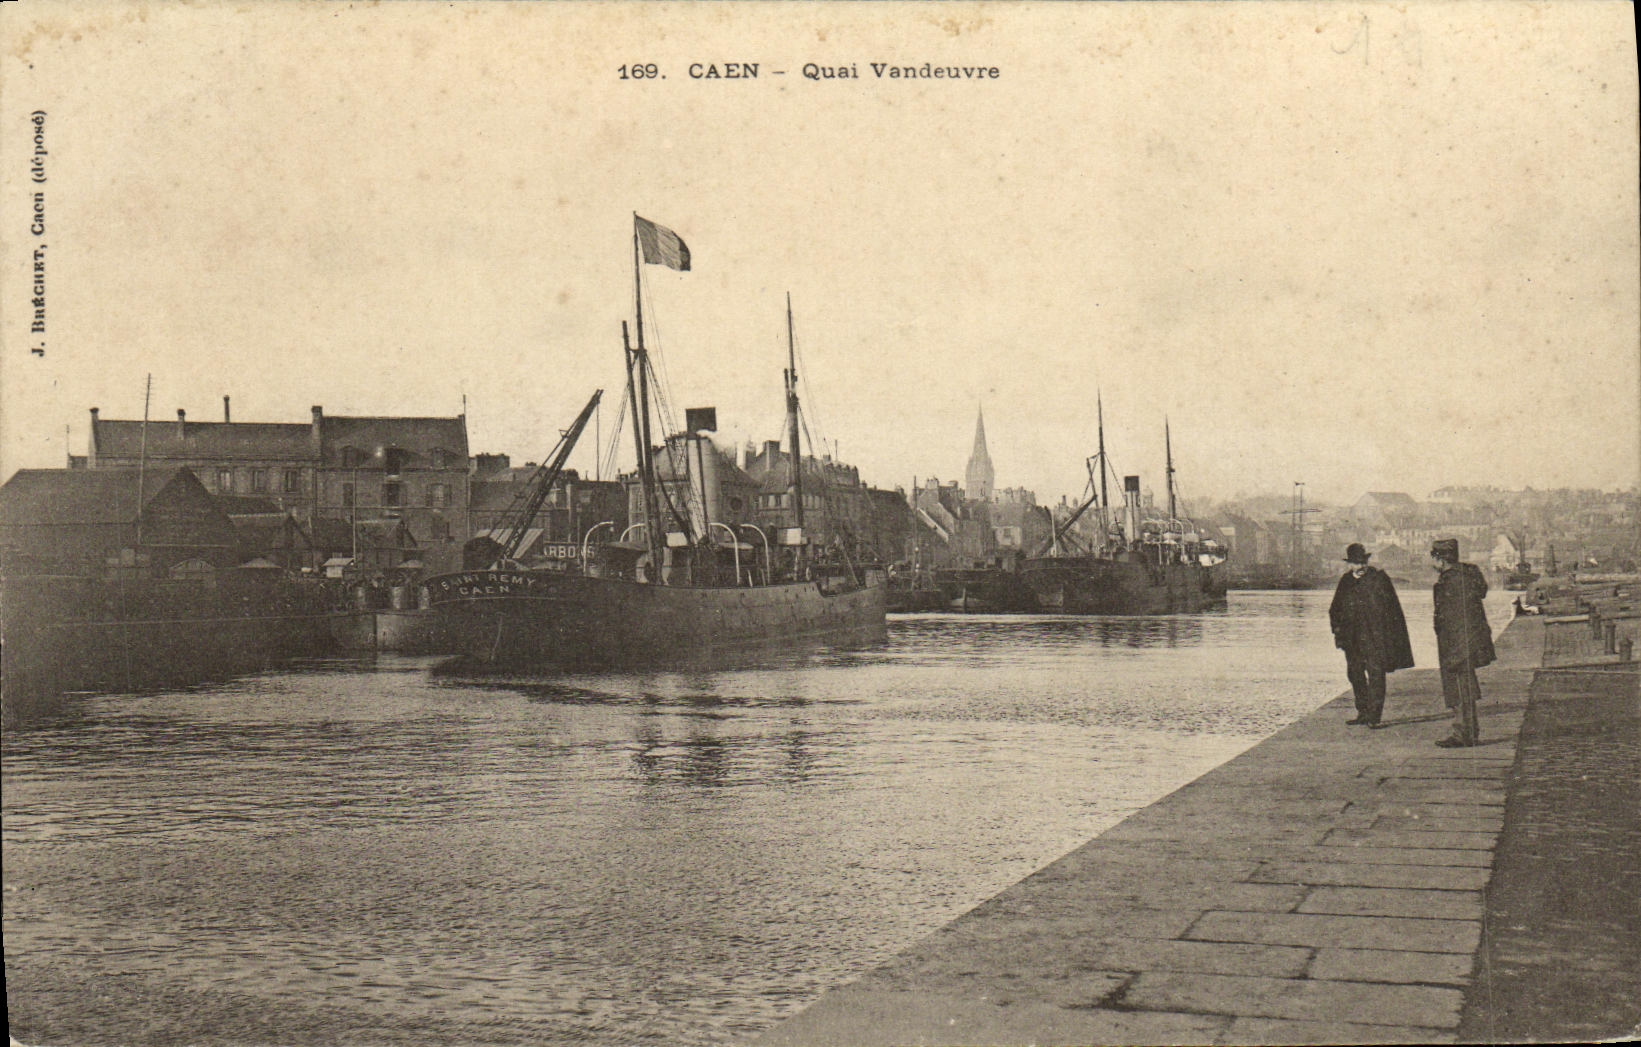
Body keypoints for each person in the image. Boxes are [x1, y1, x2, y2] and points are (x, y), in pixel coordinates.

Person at [1329, 543, 1414, 727]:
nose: (1359, 567)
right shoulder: (1345, 581)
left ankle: (1374, 717)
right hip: (1352, 639)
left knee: (1376, 674)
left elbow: (1393, 610)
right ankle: (1363, 712)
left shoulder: (1379, 579)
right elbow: (1335, 609)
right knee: (1355, 674)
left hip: (1375, 637)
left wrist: (1390, 637)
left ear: (1366, 562)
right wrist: (1338, 631)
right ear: (1349, 564)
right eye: (1355, 563)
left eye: (1362, 563)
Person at [1431, 537, 1496, 747]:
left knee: (1458, 686)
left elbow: (1452, 616)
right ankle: (1469, 732)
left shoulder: (1450, 581)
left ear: (1441, 559)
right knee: (1465, 685)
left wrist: (1453, 648)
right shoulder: (1468, 575)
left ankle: (1463, 734)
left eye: (1433, 558)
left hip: (1456, 642)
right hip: (1469, 639)